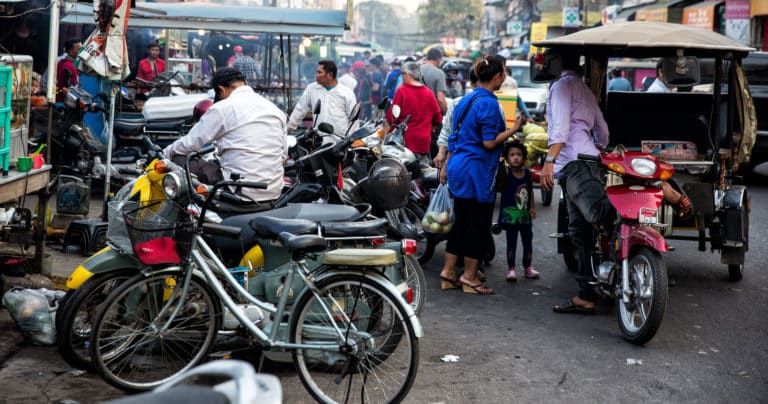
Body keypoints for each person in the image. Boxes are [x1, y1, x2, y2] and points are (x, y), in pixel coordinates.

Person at [438, 56, 525, 295]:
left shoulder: (467, 99)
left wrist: (445, 164)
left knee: (462, 221)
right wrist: (514, 130)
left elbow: (454, 136)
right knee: (478, 224)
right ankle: (468, 277)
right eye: (504, 74)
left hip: (458, 165)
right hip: (476, 170)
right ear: (497, 77)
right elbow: (488, 143)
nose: (504, 78)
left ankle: (448, 272)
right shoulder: (487, 103)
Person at [539, 50, 617, 314]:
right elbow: (603, 131)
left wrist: (549, 161)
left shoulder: (561, 86)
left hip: (573, 163)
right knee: (579, 232)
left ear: (560, 62)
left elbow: (559, 129)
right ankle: (586, 293)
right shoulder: (583, 88)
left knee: (596, 214)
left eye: (550, 58)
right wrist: (597, 148)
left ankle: (633, 210)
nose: (546, 63)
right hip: (589, 160)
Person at [163, 67, 287, 204]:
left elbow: (189, 144)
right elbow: (283, 156)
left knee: (178, 159)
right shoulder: (275, 109)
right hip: (273, 191)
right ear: (244, 83)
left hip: (239, 191)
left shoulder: (223, 107)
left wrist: (165, 155)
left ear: (221, 90)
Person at [495, 140, 538, 282]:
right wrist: (501, 162)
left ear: (524, 158)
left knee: (528, 242)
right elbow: (498, 181)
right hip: (510, 217)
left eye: (519, 154)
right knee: (511, 243)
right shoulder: (506, 172)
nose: (515, 157)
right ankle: (511, 269)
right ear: (507, 158)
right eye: (512, 155)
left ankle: (528, 268)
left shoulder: (527, 173)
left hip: (525, 217)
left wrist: (532, 207)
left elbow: (530, 192)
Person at [288, 60, 357, 143]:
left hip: (340, 142)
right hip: (318, 141)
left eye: (319, 72)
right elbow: (300, 110)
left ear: (330, 75)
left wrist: (351, 141)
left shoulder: (347, 93)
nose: (316, 75)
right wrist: (287, 130)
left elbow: (353, 120)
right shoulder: (312, 89)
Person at [385, 62, 442, 158]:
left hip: (404, 143)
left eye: (402, 73)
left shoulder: (402, 91)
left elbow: (392, 117)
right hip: (423, 142)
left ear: (409, 74)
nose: (401, 76)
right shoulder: (429, 93)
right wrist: (430, 127)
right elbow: (438, 119)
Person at [420, 48, 448, 114]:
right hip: (431, 114)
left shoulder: (416, 69)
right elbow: (440, 99)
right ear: (438, 59)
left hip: (415, 111)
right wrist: (446, 112)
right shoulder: (439, 73)